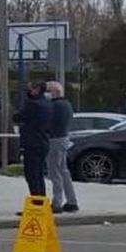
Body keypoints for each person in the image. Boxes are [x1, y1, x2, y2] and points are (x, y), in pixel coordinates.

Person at [14, 82, 53, 202]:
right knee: (39, 174)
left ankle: (37, 203)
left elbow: (17, 117)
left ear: (37, 89)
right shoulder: (47, 104)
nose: (28, 91)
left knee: (32, 175)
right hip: (43, 142)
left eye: (30, 89)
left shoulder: (32, 105)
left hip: (32, 143)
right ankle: (42, 200)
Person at [44, 81, 80, 214]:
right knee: (64, 171)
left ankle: (57, 203)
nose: (45, 94)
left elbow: (48, 124)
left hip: (54, 140)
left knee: (55, 173)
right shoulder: (67, 104)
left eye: (47, 91)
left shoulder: (54, 106)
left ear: (54, 92)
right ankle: (72, 201)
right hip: (64, 138)